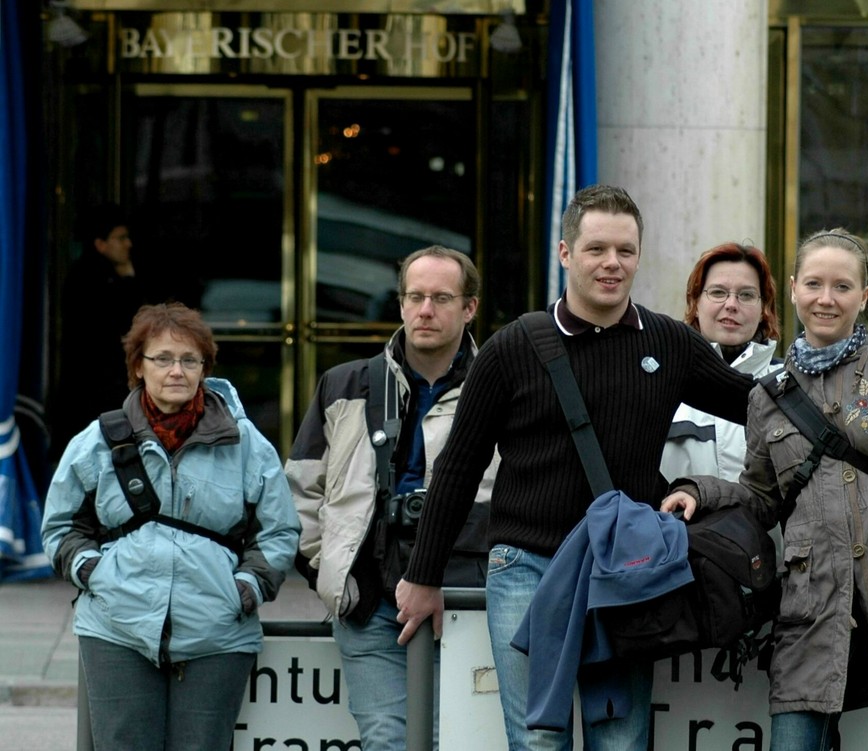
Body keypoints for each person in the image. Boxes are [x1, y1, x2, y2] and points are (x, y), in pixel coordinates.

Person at [395, 185, 755, 749]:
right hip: (525, 568)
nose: (612, 263)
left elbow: (760, 408)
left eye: (626, 251)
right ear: (565, 253)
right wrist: (423, 575)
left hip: (625, 572)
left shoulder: (669, 342)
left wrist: (855, 380)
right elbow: (460, 469)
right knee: (538, 742)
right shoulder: (511, 349)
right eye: (596, 249)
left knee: (623, 741)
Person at [662, 228, 868, 751]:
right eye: (814, 283)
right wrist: (702, 491)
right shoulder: (768, 397)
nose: (826, 298)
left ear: (865, 296)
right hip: (811, 611)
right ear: (793, 290)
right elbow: (761, 497)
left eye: (842, 286)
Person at [41, 302, 301, 750]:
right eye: (162, 358)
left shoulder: (245, 442)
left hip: (218, 632)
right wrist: (93, 572)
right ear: (138, 367)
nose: (176, 370)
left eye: (189, 359)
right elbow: (61, 526)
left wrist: (244, 590)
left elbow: (278, 531)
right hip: (116, 627)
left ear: (205, 367)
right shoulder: (98, 440)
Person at [286, 245, 497, 750]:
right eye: (416, 296)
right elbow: (299, 496)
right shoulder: (344, 384)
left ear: (469, 308)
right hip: (370, 599)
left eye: (442, 298)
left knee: (456, 741)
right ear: (401, 303)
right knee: (387, 741)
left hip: (465, 597)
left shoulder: (501, 386)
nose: (426, 310)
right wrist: (333, 576)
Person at [660, 242, 782, 483]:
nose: (731, 305)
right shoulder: (660, 383)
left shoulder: (790, 384)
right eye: (717, 292)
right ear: (694, 304)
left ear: (764, 309)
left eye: (746, 295)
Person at [53, 203, 148, 456]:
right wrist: (127, 281)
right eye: (120, 238)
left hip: (95, 387)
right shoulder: (91, 281)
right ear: (100, 244)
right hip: (95, 388)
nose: (127, 244)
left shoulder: (93, 276)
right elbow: (127, 322)